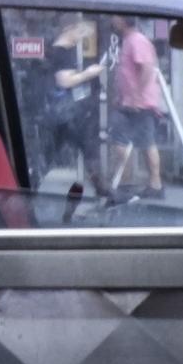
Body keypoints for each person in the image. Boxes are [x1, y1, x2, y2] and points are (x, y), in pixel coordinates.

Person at [41, 14, 110, 222]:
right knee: (86, 150)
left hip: (67, 114)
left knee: (80, 151)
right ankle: (103, 191)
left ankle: (103, 191)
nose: (82, 36)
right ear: (68, 29)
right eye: (79, 31)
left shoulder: (60, 50)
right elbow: (65, 81)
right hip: (67, 115)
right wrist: (90, 73)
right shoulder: (62, 51)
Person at [107, 14, 166, 198]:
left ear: (124, 21)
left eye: (116, 18)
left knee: (146, 142)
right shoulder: (128, 41)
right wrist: (122, 96)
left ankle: (155, 185)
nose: (113, 21)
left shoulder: (137, 41)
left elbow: (147, 68)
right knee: (120, 139)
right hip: (128, 102)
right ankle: (123, 182)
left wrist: (136, 96)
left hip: (140, 104)